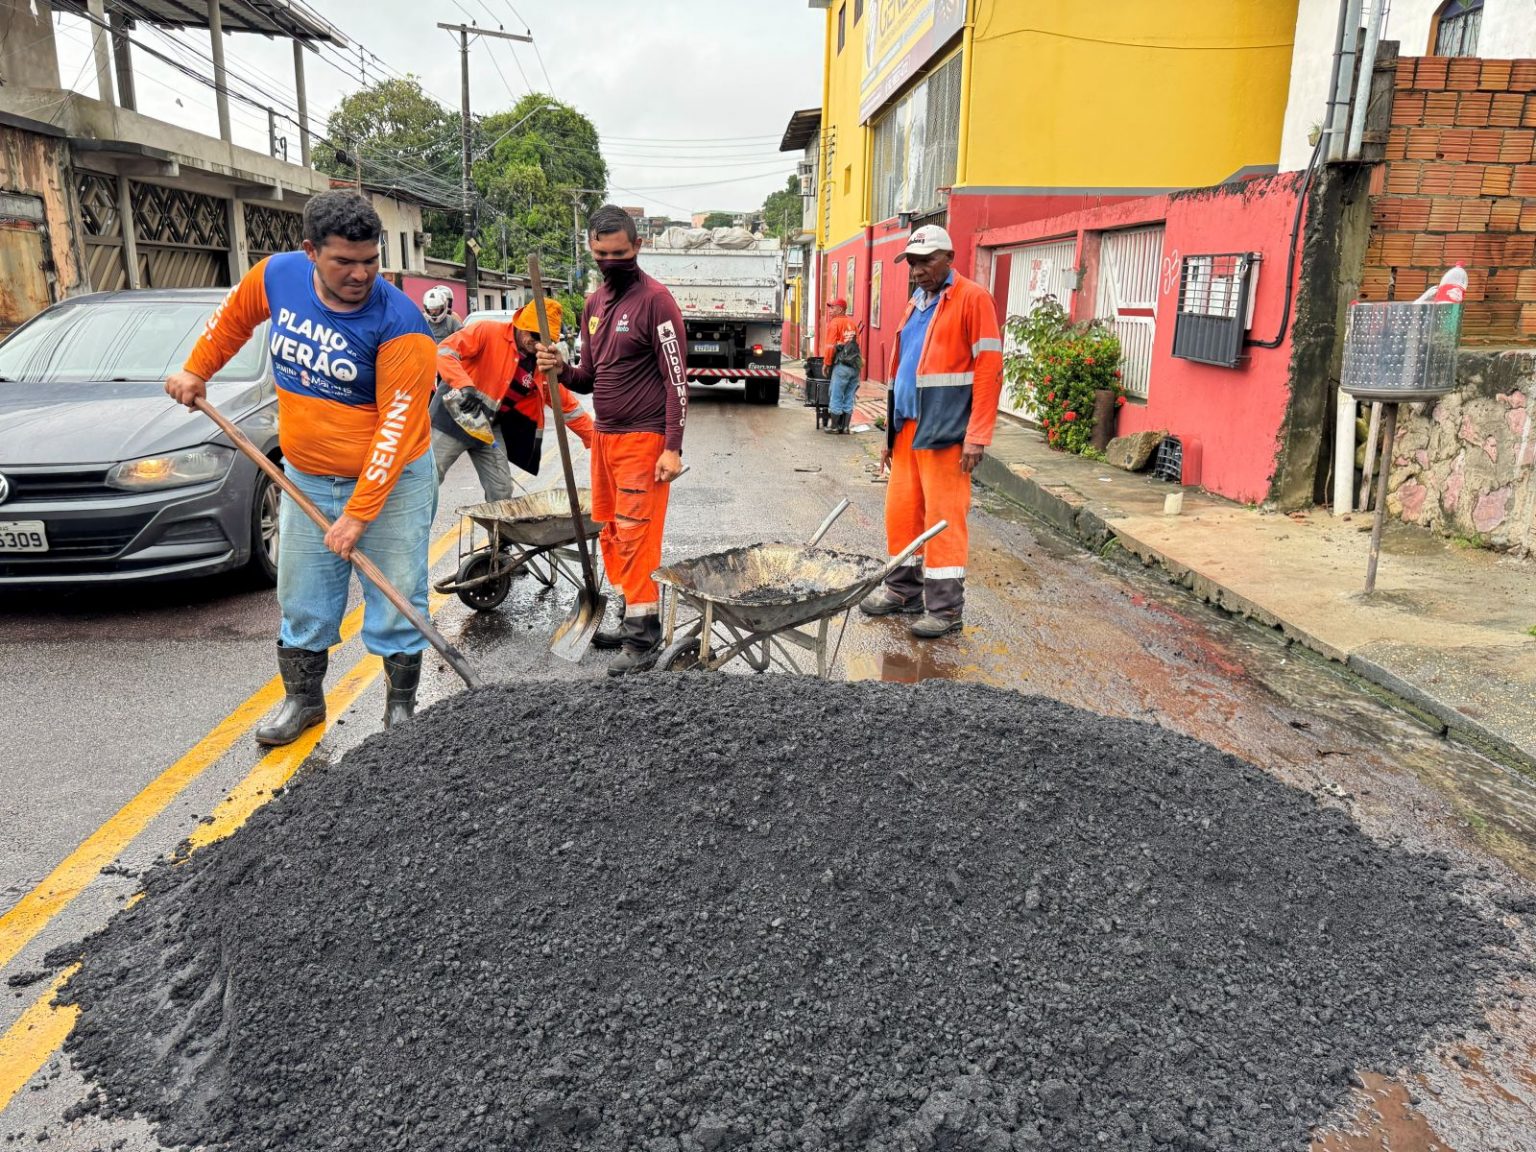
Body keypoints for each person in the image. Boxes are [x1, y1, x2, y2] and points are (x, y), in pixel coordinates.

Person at [166, 190, 438, 741]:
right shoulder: (277, 277)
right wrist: (198, 370)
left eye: (370, 260)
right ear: (311, 251)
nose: (361, 274)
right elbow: (231, 323)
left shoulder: (402, 324)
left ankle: (401, 708)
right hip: (309, 475)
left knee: (397, 593)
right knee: (304, 594)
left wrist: (359, 515)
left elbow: (396, 430)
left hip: (392, 481)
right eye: (345, 262)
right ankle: (304, 700)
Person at [534, 203, 687, 676]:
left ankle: (643, 639)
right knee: (613, 532)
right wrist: (559, 367)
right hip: (604, 438)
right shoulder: (595, 305)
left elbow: (677, 379)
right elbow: (588, 379)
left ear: (637, 247)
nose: (610, 261)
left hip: (643, 440)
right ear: (591, 249)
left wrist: (672, 446)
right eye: (601, 253)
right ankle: (629, 615)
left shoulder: (656, 301)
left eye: (619, 252)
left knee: (638, 537)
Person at [858, 224, 1003, 638]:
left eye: (926, 262)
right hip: (907, 430)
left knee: (943, 519)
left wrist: (977, 435)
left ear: (949, 258)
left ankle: (944, 609)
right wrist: (889, 436)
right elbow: (902, 370)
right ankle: (903, 592)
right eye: (913, 263)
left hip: (946, 430)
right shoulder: (916, 303)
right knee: (901, 515)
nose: (918, 271)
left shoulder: (973, 299)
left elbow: (989, 369)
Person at [432, 300, 594, 500]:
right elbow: (444, 351)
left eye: (544, 339)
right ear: (521, 325)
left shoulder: (541, 364)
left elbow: (569, 408)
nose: (537, 343)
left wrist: (598, 442)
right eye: (534, 336)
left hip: (488, 429)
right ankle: (415, 529)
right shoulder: (487, 331)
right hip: (453, 418)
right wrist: (464, 385)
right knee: (429, 479)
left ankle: (500, 532)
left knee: (501, 491)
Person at [821, 297, 860, 435]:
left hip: (842, 365)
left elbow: (830, 346)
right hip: (854, 366)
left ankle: (835, 427)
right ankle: (845, 427)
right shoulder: (853, 324)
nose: (830, 310)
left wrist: (826, 363)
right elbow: (857, 346)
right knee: (849, 395)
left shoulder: (834, 323)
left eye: (832, 307)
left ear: (841, 309)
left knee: (836, 394)